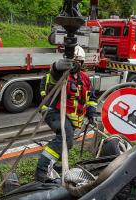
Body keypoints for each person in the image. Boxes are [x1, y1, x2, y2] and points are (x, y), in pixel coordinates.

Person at [36, 45, 97, 182]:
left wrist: (92, 114)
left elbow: (92, 98)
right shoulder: (61, 76)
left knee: (67, 142)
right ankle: (42, 169)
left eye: (78, 62)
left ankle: (55, 165)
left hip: (72, 118)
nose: (75, 65)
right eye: (72, 62)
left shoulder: (85, 79)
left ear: (82, 64)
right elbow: (53, 78)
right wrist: (57, 67)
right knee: (65, 136)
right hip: (53, 111)